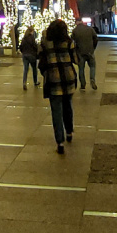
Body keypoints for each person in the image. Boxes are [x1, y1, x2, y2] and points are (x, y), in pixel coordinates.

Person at [39, 19, 79, 154]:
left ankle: (60, 142)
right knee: (68, 105)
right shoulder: (69, 42)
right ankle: (69, 132)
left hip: (53, 78)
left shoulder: (45, 43)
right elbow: (76, 60)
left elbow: (40, 57)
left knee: (56, 110)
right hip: (68, 77)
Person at [71, 18, 98, 90]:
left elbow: (72, 42)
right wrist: (93, 48)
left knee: (81, 69)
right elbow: (95, 38)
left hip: (80, 52)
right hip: (90, 51)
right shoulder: (90, 29)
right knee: (92, 66)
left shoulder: (74, 31)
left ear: (76, 22)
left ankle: (83, 84)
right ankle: (92, 79)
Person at [18, 25, 40, 90]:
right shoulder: (32, 38)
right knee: (34, 69)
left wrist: (23, 52)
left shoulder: (24, 38)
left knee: (25, 69)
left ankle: (24, 82)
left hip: (25, 55)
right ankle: (35, 81)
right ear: (31, 31)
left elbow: (21, 46)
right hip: (32, 55)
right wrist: (36, 52)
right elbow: (34, 46)